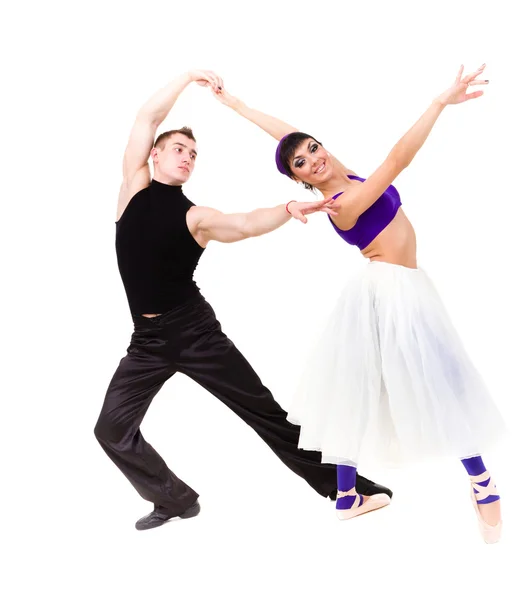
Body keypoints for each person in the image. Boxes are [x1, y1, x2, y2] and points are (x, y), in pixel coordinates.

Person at [213, 64, 506, 542]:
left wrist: (238, 105)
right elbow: (396, 160)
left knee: (363, 385)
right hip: (393, 293)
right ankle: (483, 484)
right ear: (299, 180)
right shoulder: (341, 202)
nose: (313, 157)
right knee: (440, 380)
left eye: (314, 148)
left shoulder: (341, 172)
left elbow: (288, 133)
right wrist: (438, 104)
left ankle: (348, 497)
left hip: (394, 287)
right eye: (303, 163)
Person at [94, 69, 393, 531]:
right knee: (110, 429)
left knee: (265, 413)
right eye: (179, 149)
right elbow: (147, 115)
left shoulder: (196, 216)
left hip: (194, 333)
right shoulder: (132, 187)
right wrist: (188, 76)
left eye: (193, 154)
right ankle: (173, 499)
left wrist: (288, 209)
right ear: (154, 155)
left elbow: (245, 223)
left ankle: (347, 489)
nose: (187, 158)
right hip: (147, 340)